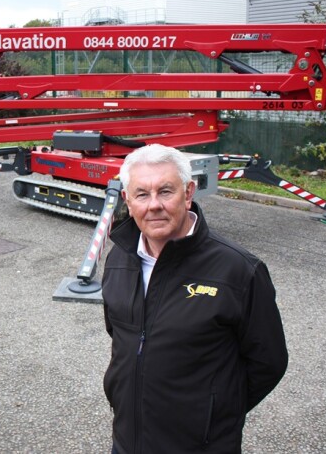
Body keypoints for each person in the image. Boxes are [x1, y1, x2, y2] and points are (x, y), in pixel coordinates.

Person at [101, 144, 288, 454]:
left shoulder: (238, 270)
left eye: (165, 191)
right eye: (142, 194)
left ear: (188, 193)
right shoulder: (119, 258)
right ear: (127, 201)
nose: (154, 205)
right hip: (127, 440)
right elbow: (121, 334)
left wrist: (212, 412)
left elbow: (269, 362)